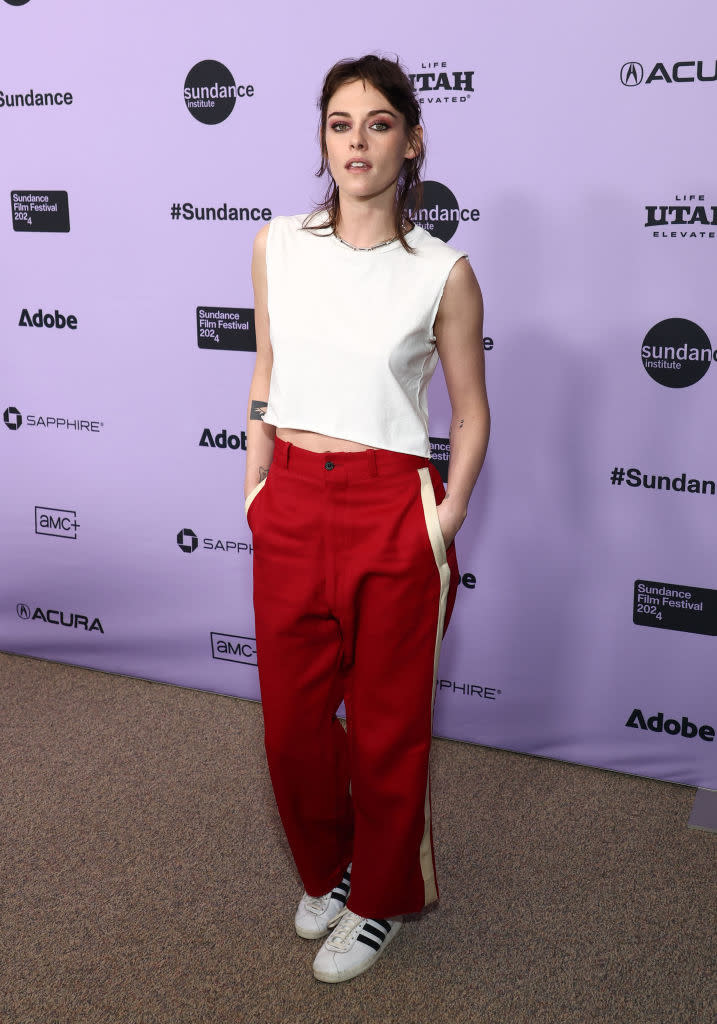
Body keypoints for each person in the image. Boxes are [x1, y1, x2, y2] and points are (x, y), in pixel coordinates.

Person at [244, 54, 489, 983]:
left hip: (395, 508)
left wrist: (446, 512)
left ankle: (381, 897)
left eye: (378, 123)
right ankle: (330, 871)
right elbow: (266, 367)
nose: (358, 140)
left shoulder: (443, 272)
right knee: (291, 727)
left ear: (411, 141)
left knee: (388, 726)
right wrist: (257, 481)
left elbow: (469, 409)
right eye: (340, 123)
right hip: (293, 500)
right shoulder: (276, 244)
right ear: (322, 140)